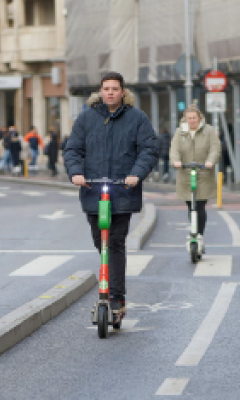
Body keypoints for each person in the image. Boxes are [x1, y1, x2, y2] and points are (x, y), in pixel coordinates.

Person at [64, 71, 158, 319]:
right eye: (106, 88)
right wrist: (75, 173)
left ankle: (116, 298)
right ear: (100, 91)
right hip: (93, 190)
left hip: (123, 191)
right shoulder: (86, 118)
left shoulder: (137, 119)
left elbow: (149, 149)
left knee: (115, 242)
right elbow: (72, 149)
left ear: (123, 92)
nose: (110, 93)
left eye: (115, 89)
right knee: (100, 241)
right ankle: (109, 291)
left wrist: (136, 174)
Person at [170, 103, 221, 252]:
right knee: (190, 206)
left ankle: (199, 236)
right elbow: (174, 149)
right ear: (185, 119)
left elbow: (215, 148)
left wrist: (210, 161)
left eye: (194, 118)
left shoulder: (208, 131)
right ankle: (193, 232)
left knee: (199, 206)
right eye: (189, 118)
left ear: (199, 118)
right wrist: (176, 161)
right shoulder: (180, 132)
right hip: (186, 174)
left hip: (203, 174)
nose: (192, 120)